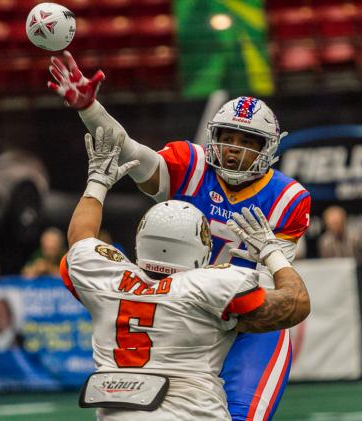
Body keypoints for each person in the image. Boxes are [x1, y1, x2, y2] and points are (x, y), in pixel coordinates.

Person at [48, 51, 311, 420]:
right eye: (227, 137)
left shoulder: (288, 198)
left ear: (268, 148)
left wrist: (216, 304)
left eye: (247, 141)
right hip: (179, 309)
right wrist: (91, 109)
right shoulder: (190, 163)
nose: (234, 150)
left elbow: (272, 284)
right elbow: (131, 152)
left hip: (243, 317)